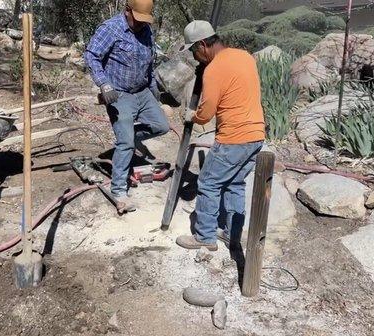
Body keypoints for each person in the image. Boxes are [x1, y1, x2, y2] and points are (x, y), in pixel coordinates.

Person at [175, 21, 266, 251]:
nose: (196, 57)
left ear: (203, 44)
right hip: (256, 134)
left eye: (194, 51)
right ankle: (232, 235)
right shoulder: (245, 56)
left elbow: (206, 114)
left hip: (234, 138)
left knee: (208, 182)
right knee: (235, 182)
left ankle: (205, 237)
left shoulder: (214, 69)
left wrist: (191, 116)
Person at [84, 0, 169, 211]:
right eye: (137, 19)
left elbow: (149, 63)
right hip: (119, 94)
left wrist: (153, 90)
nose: (141, 24)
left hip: (142, 92)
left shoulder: (147, 30)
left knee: (161, 126)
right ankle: (119, 190)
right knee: (126, 144)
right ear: (127, 11)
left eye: (144, 20)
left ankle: (126, 138)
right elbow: (91, 55)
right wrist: (104, 84)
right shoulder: (111, 29)